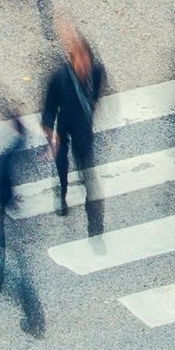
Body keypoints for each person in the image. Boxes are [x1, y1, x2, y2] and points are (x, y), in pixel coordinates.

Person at [0, 105, 45, 336]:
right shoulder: (19, 145)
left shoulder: (15, 148)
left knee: (18, 263)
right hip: (9, 208)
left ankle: (35, 320)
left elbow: (7, 178)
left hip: (8, 210)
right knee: (1, 246)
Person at [40, 22, 106, 235]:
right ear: (72, 59)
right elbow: (50, 107)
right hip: (64, 124)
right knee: (61, 164)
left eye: (87, 60)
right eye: (81, 61)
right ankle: (61, 192)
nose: (85, 66)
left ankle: (95, 224)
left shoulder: (97, 72)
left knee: (88, 174)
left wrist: (92, 107)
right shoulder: (59, 78)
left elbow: (95, 94)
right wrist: (50, 132)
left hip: (84, 128)